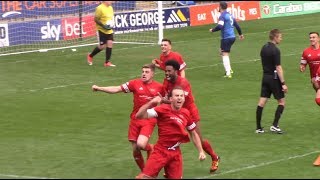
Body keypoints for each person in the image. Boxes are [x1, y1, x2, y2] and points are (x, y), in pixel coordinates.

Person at [91, 64, 163, 171]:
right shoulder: (134, 83)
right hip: (135, 119)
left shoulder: (159, 87)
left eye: (147, 72)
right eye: (143, 71)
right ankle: (144, 172)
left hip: (148, 119)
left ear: (153, 74)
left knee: (141, 144)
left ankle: (151, 148)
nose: (144, 74)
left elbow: (168, 100)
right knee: (135, 150)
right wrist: (99, 88)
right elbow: (116, 89)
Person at [161, 60, 220, 173]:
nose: (167, 73)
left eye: (169, 71)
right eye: (165, 71)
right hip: (176, 113)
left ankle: (214, 157)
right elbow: (166, 96)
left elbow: (180, 100)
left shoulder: (183, 83)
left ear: (176, 71)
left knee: (198, 139)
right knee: (171, 139)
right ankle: (170, 167)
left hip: (189, 112)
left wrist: (165, 101)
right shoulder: (167, 81)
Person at [135, 86, 206, 179]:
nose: (180, 98)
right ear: (171, 99)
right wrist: (151, 102)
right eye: (177, 95)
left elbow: (193, 133)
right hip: (161, 151)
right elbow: (139, 115)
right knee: (146, 177)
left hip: (175, 153)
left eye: (181, 96)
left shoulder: (186, 113)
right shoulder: (162, 109)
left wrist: (201, 151)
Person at [255, 29, 288, 134]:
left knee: (261, 102)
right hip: (274, 78)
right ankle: (274, 125)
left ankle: (258, 128)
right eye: (280, 37)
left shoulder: (263, 48)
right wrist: (283, 83)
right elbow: (278, 67)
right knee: (282, 102)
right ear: (275, 37)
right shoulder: (276, 50)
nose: (281, 39)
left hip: (265, 77)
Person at [209, 1, 244, 78]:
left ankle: (228, 73)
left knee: (224, 53)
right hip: (232, 37)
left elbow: (220, 26)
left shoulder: (222, 16)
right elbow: (237, 25)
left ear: (220, 7)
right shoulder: (230, 15)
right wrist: (240, 34)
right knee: (221, 51)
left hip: (226, 37)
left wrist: (212, 30)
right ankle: (229, 69)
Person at [87, 1, 116, 67]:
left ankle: (107, 62)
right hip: (101, 30)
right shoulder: (99, 8)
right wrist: (103, 26)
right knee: (102, 46)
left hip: (109, 30)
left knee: (110, 43)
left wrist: (111, 25)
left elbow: (110, 19)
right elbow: (96, 19)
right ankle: (90, 55)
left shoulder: (110, 8)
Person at [300, 32, 320, 105]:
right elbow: (303, 64)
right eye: (310, 37)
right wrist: (302, 67)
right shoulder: (306, 52)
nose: (311, 39)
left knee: (318, 99)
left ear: (318, 39)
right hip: (315, 80)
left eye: (313, 37)